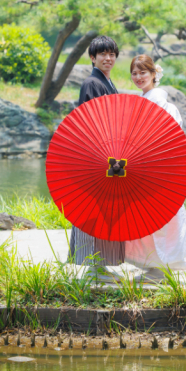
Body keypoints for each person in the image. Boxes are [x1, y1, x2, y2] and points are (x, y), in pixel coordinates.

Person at [125, 55, 186, 270]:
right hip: (139, 170)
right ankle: (150, 263)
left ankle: (172, 262)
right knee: (143, 216)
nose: (138, 77)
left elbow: (174, 142)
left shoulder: (167, 107)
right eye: (134, 73)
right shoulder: (137, 103)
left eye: (143, 72)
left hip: (159, 170)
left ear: (154, 74)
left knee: (164, 216)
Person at [69, 35, 126, 267]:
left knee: (107, 210)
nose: (108, 58)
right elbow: (92, 123)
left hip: (111, 157)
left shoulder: (109, 84)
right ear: (92, 58)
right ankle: (87, 262)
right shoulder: (92, 84)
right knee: (93, 207)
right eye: (103, 54)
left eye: (112, 54)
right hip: (98, 157)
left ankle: (104, 261)